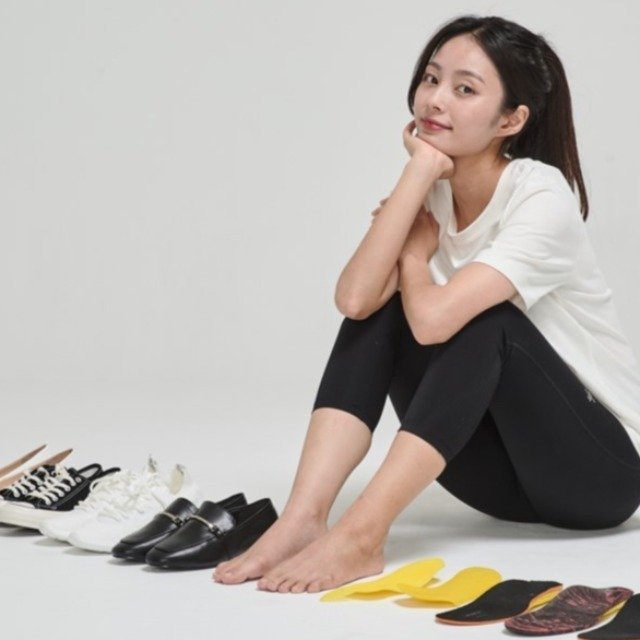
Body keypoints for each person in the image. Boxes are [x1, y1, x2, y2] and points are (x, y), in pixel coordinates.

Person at [213, 14, 640, 594]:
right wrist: (418, 172)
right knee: (382, 309)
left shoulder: (541, 196)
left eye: (465, 89)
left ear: (511, 120)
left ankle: (362, 535)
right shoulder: (431, 186)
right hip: (499, 485)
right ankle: (302, 519)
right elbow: (355, 300)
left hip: (600, 475)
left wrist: (415, 258)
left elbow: (436, 321)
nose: (436, 99)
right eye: (432, 79)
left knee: (489, 323)